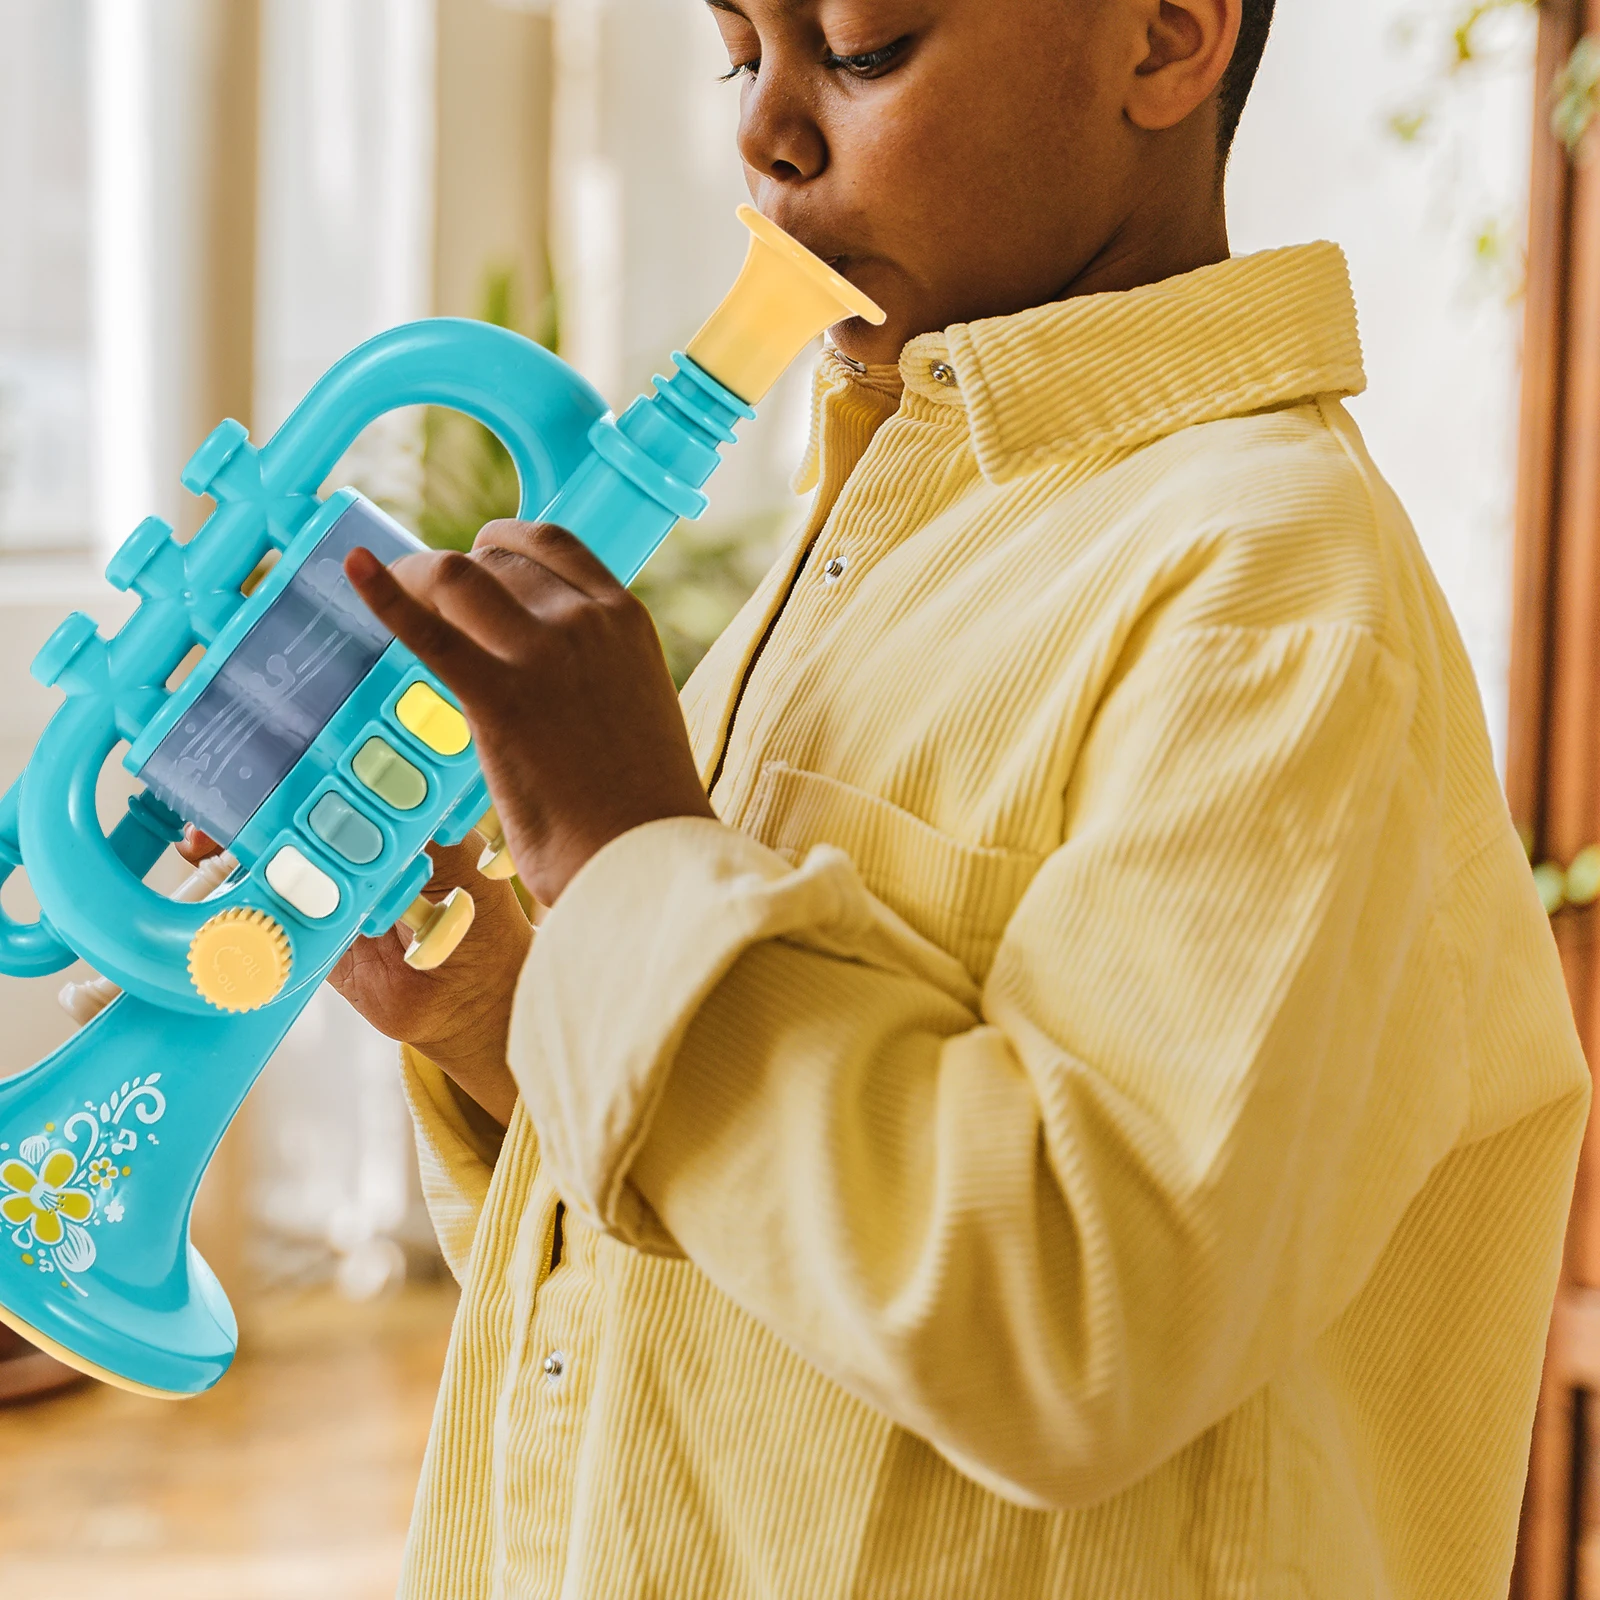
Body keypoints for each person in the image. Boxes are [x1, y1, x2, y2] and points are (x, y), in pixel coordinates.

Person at [283, 0, 1594, 1593]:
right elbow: (772, 1167)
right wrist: (498, 996)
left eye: (862, 49)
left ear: (1168, 43)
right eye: (735, 51)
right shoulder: (889, 523)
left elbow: (1082, 1316)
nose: (765, 131)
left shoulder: (1270, 600)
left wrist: (633, 856)